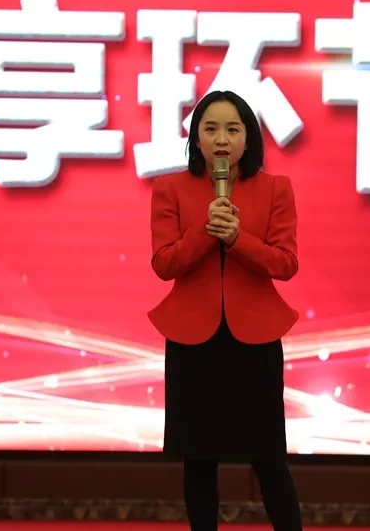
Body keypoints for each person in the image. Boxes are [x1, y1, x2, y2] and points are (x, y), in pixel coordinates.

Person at [147, 90, 303, 531]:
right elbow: (163, 263)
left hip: (254, 340)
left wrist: (238, 240)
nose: (221, 139)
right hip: (192, 340)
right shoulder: (170, 188)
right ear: (195, 137)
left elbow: (286, 263)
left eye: (233, 129)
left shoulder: (275, 188)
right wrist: (205, 231)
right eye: (210, 128)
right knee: (199, 460)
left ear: (248, 138)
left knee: (269, 459)